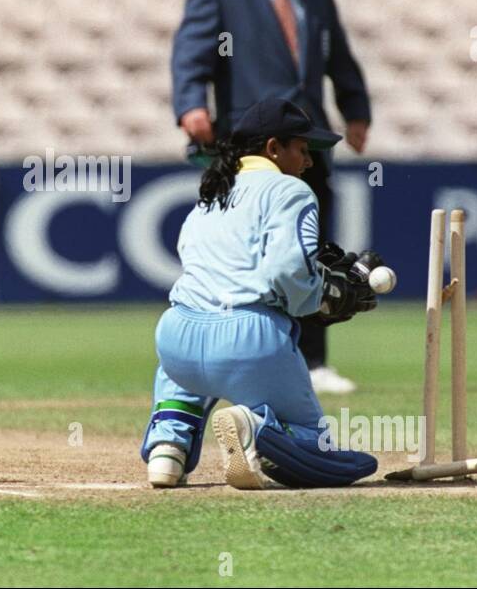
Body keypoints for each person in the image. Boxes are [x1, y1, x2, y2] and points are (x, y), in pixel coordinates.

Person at [171, 0, 372, 395]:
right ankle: (241, 347)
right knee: (255, 246)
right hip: (252, 141)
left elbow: (336, 54)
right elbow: (192, 50)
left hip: (309, 137)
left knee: (313, 246)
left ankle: (314, 358)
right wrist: (191, 103)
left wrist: (355, 107)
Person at [139, 97, 382, 490]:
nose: (308, 162)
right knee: (317, 448)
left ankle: (169, 446)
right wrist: (322, 296)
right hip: (248, 342)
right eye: (302, 150)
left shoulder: (211, 193)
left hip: (176, 338)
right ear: (273, 148)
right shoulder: (291, 190)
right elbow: (286, 269)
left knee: (182, 371)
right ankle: (255, 426)